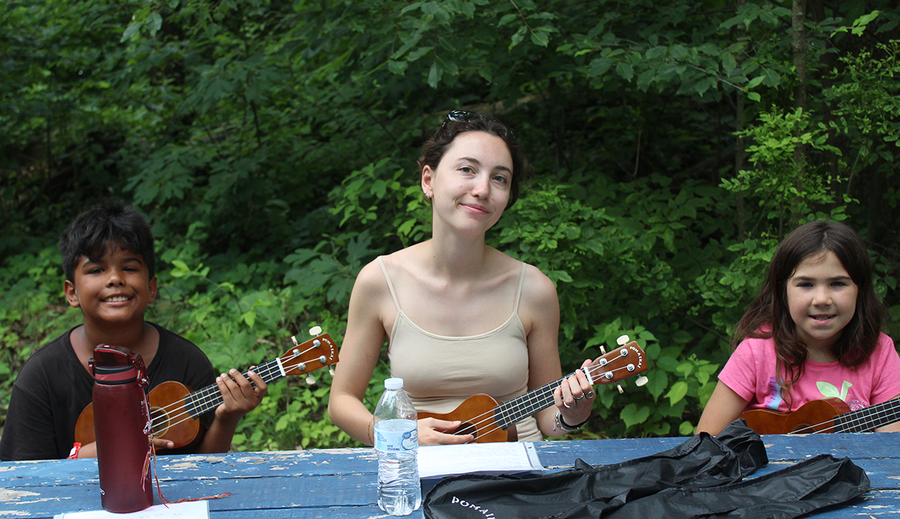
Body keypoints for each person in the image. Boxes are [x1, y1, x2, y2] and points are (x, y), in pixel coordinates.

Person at [327, 110, 596, 446]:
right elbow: (341, 402)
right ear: (429, 180)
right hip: (419, 471)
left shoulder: (534, 290)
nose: (482, 189)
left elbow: (548, 420)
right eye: (467, 169)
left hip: (517, 472)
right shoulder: (380, 282)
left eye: (500, 178)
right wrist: (397, 435)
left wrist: (572, 413)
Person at [0, 200, 267, 461]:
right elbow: (22, 477)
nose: (115, 279)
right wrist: (104, 451)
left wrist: (227, 417)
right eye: (97, 269)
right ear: (72, 293)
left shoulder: (187, 361)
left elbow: (204, 468)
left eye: (129, 268)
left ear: (151, 288)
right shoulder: (42, 377)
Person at [697, 220, 900, 436]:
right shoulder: (757, 352)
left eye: (838, 284)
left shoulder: (878, 351)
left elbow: (891, 448)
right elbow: (705, 440)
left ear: (860, 290)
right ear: (782, 291)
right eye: (806, 284)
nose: (822, 299)